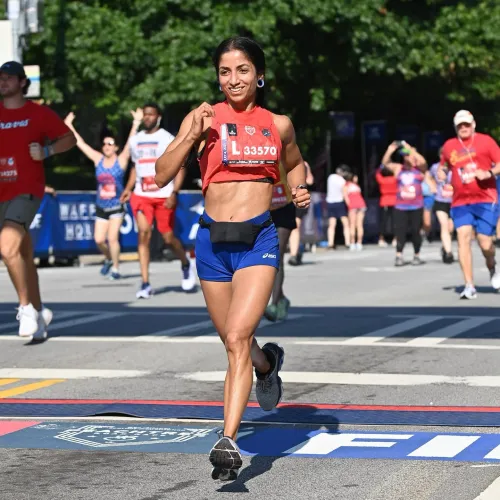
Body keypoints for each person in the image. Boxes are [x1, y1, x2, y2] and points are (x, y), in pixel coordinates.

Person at [154, 36, 310, 481]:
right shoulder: (204, 118)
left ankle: (228, 440)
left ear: (258, 75)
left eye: (242, 70)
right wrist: (189, 134)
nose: (233, 79)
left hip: (258, 240)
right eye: (225, 71)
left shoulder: (278, 124)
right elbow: (162, 175)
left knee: (239, 337)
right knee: (234, 342)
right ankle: (267, 365)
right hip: (212, 243)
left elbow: (294, 164)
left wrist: (297, 188)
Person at [0, 61, 76, 340]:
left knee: (7, 248)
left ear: (22, 82)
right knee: (23, 256)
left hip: (26, 190)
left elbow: (69, 140)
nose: (3, 82)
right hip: (1, 193)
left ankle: (25, 309)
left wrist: (46, 150)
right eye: (0, 78)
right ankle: (40, 310)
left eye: (9, 78)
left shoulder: (37, 113)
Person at [121, 103, 196, 297]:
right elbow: (134, 168)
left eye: (151, 114)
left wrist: (174, 192)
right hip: (141, 195)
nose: (147, 118)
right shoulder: (135, 140)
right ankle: (145, 283)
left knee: (168, 238)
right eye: (145, 115)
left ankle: (186, 263)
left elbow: (180, 167)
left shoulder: (167, 139)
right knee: (143, 234)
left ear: (158, 117)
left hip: (163, 194)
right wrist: (128, 189)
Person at [64, 110, 142, 279]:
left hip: (116, 206)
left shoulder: (121, 160)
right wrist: (69, 125)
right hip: (101, 206)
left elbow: (130, 143)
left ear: (116, 147)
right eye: (105, 144)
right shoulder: (97, 159)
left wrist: (136, 123)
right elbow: (81, 143)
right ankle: (108, 259)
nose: (107, 146)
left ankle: (115, 268)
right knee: (99, 240)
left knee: (112, 238)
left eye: (110, 144)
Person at [438, 110, 500, 299]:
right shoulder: (449, 146)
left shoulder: (486, 141)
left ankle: (492, 265)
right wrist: (442, 174)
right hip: (460, 201)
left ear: (473, 125)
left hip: (485, 198)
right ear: (456, 127)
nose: (463, 128)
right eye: (460, 125)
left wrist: (488, 173)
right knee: (463, 236)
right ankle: (469, 285)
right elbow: (444, 166)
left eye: (466, 124)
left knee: (485, 243)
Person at [381, 140, 430, 266]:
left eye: (408, 155)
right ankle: (399, 255)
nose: (406, 157)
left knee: (415, 231)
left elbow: (423, 161)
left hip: (416, 205)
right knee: (400, 231)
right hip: (400, 206)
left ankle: (416, 255)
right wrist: (390, 150)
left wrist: (411, 150)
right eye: (405, 155)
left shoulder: (419, 169)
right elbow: (385, 163)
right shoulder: (398, 169)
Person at [264, 162, 297, 321]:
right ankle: (281, 297)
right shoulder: (249, 148)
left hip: (283, 206)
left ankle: (274, 303)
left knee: (276, 255)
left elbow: (296, 166)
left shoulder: (282, 144)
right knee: (264, 258)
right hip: (260, 208)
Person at [430, 148, 454, 263]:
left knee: (451, 228)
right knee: (444, 225)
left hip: (454, 201)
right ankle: (449, 253)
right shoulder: (435, 167)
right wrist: (432, 186)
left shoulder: (455, 167)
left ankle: (445, 246)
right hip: (440, 201)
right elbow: (427, 175)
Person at [288, 160, 314, 265]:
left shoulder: (304, 163)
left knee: (295, 226)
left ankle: (293, 255)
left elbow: (310, 181)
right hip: (284, 198)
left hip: (298, 197)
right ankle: (297, 249)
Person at [326, 165, 350, 249]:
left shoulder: (330, 177)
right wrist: (349, 205)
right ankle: (348, 242)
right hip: (339, 202)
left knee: (332, 224)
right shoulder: (343, 181)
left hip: (330, 202)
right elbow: (345, 194)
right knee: (345, 223)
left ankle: (330, 243)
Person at [375, 165, 397, 247]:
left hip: (384, 201)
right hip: (394, 201)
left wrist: (380, 167)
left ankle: (381, 239)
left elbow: (377, 174)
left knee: (383, 222)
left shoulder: (382, 180)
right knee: (395, 221)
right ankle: (395, 239)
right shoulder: (395, 179)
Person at [343, 173, 366, 250]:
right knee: (359, 225)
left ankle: (353, 243)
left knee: (352, 225)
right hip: (361, 204)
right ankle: (359, 243)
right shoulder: (356, 186)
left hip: (353, 205)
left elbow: (345, 197)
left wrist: (349, 205)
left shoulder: (346, 185)